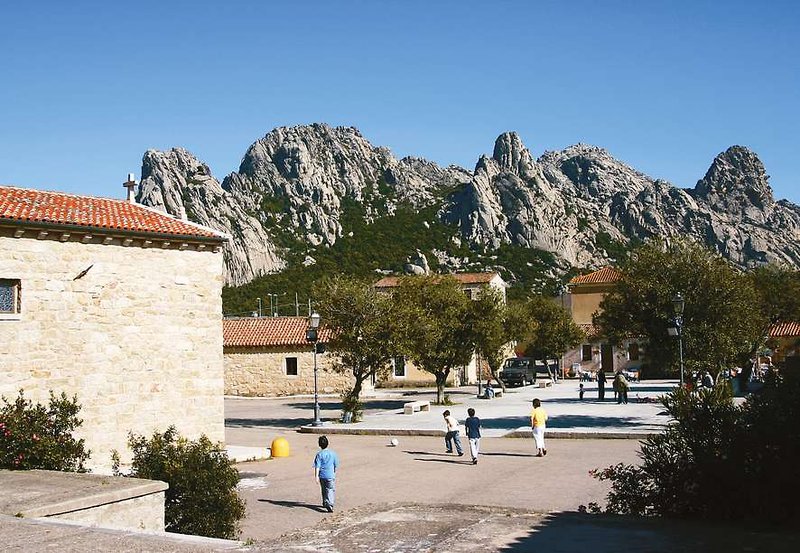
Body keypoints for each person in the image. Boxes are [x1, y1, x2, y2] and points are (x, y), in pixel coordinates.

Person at [313, 435, 339, 513]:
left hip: (322, 475)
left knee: (324, 489)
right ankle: (329, 504)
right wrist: (334, 472)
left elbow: (317, 466)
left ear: (319, 444)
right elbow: (335, 465)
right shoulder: (333, 453)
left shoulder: (319, 454)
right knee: (330, 489)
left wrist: (316, 476)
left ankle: (325, 502)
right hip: (330, 475)